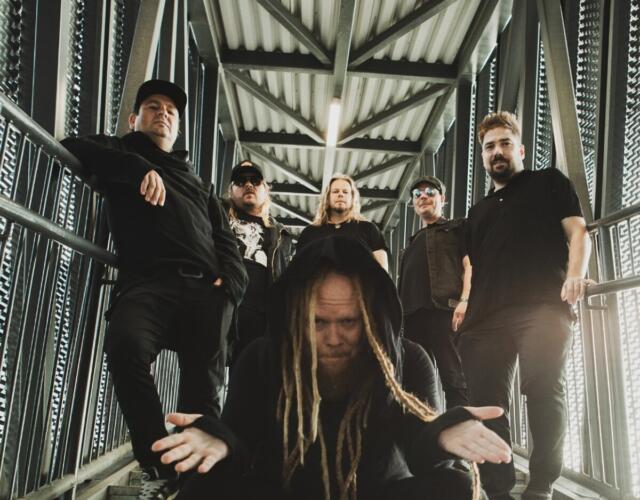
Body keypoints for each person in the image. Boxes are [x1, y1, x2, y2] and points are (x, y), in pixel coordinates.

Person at [152, 237, 512, 500]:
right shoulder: (263, 357)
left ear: (371, 318)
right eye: (318, 322)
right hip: (284, 493)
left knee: (457, 486)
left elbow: (421, 453)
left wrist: (440, 438)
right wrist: (220, 443)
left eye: (349, 322)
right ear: (296, 317)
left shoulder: (409, 360)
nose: (334, 337)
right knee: (206, 481)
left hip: (377, 493)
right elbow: (240, 441)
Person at [61, 80, 247, 486]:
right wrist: (137, 168)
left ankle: (195, 483)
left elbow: (226, 242)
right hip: (146, 283)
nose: (163, 113)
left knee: (203, 394)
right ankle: (159, 461)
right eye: (152, 106)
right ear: (134, 118)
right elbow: (72, 146)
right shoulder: (121, 151)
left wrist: (231, 286)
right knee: (125, 346)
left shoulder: (199, 183)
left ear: (177, 128)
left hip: (206, 291)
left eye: (171, 111)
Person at [458, 111, 593, 500]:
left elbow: (578, 232)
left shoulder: (548, 182)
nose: (497, 151)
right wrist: (465, 302)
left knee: (544, 389)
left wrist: (575, 274)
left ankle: (540, 485)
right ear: (483, 156)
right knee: (486, 405)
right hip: (485, 317)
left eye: (504, 143)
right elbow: (473, 267)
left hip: (542, 306)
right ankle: (497, 487)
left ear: (520, 149)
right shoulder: (478, 212)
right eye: (489, 147)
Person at [398, 175, 470, 409]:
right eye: (417, 194)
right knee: (416, 383)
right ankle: (423, 429)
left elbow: (470, 265)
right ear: (413, 203)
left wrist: (465, 299)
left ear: (443, 199)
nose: (423, 197)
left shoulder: (457, 228)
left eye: (430, 192)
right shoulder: (411, 244)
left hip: (445, 313)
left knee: (455, 378)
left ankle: (460, 428)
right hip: (412, 320)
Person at [226, 159, 293, 364]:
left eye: (255, 180)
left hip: (260, 317)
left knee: (251, 376)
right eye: (240, 181)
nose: (248, 184)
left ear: (265, 189)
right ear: (230, 191)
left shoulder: (281, 234)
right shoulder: (217, 217)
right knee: (207, 374)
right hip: (223, 306)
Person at [296, 174, 389, 270]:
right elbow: (298, 270)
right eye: (335, 191)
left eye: (345, 192)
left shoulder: (369, 229)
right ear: (327, 197)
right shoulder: (309, 233)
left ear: (352, 198)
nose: (340, 194)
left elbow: (383, 272)